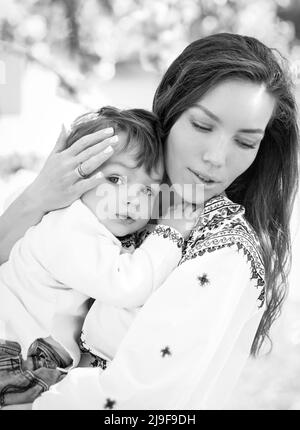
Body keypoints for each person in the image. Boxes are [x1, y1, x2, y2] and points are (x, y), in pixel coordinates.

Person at [0, 32, 299, 409]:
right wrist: (38, 197)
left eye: (245, 142)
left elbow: (140, 399)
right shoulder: (123, 187)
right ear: (171, 109)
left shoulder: (224, 247)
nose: (216, 158)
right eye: (203, 126)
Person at [0, 106, 198, 407]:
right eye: (115, 179)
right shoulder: (68, 228)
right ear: (77, 174)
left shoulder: (91, 227)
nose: (131, 197)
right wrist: (170, 234)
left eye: (147, 190)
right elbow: (126, 285)